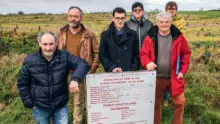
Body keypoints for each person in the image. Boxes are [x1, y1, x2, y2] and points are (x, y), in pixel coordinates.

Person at [17, 31, 90, 124]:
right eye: (45, 44)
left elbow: (82, 64)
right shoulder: (30, 61)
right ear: (39, 43)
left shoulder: (64, 56)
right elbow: (22, 83)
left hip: (60, 106)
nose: (48, 48)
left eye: (51, 44)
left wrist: (75, 79)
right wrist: (29, 103)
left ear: (56, 43)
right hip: (39, 107)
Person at [139, 12, 191, 124]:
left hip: (174, 76)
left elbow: (186, 53)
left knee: (180, 103)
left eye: (167, 22)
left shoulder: (178, 37)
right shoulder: (150, 37)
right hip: (156, 77)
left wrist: (183, 70)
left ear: (170, 23)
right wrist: (147, 63)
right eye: (161, 22)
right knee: (155, 104)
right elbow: (143, 54)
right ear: (157, 23)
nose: (164, 24)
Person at [57, 6, 99, 124]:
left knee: (78, 102)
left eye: (76, 16)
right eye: (71, 16)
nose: (73, 19)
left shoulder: (89, 34)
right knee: (60, 100)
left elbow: (97, 53)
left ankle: (77, 122)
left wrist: (90, 71)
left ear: (81, 18)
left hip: (80, 74)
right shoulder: (61, 32)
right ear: (67, 17)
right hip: (62, 73)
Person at [99, 7, 139, 73]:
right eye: (117, 18)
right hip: (112, 74)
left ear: (125, 18)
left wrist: (133, 68)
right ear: (113, 18)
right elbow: (102, 56)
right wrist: (112, 67)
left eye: (122, 18)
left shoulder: (133, 35)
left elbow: (136, 55)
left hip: (129, 74)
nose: (120, 21)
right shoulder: (105, 35)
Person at [163, 1, 187, 106]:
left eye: (173, 8)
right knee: (163, 75)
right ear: (166, 10)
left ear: (176, 10)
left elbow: (181, 35)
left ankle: (175, 96)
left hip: (177, 50)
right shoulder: (162, 19)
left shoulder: (181, 21)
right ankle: (164, 99)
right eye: (169, 8)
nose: (171, 10)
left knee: (175, 74)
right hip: (163, 50)